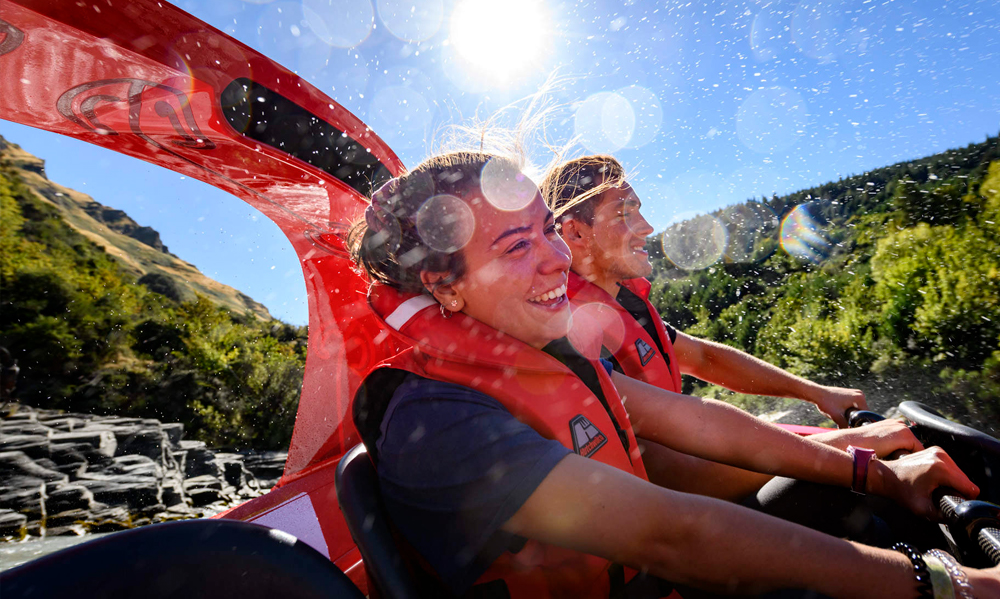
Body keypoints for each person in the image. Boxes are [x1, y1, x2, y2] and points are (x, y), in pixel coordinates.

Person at [349, 149, 998, 598]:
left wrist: (875, 471)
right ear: (446, 286)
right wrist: (952, 585)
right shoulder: (436, 422)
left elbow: (701, 420)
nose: (555, 259)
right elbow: (676, 532)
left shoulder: (543, 357)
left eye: (545, 231)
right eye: (517, 246)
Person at [540, 155, 901, 501]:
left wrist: (817, 393)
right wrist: (856, 449)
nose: (647, 227)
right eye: (625, 213)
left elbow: (702, 357)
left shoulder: (625, 302)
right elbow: (683, 478)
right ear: (576, 233)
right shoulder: (572, 332)